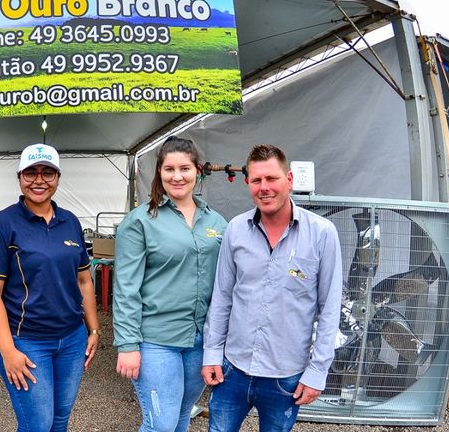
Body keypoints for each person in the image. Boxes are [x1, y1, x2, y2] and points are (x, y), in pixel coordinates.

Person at [201, 145, 342, 432]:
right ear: (248, 183)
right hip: (233, 369)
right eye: (256, 180)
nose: (264, 187)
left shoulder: (322, 234)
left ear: (289, 180)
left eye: (271, 178)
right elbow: (222, 297)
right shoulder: (236, 229)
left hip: (286, 376)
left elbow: (329, 308)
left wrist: (317, 371)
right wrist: (212, 354)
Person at [0, 143, 100, 432]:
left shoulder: (70, 221)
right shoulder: (4, 224)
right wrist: (7, 350)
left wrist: (94, 329)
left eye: (48, 173)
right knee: (38, 424)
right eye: (31, 173)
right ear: (20, 177)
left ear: (57, 177)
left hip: (72, 340)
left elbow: (84, 280)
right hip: (28, 342)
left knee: (60, 419)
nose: (39, 180)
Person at [112, 136, 227, 432]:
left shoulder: (216, 222)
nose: (177, 176)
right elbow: (126, 288)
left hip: (200, 340)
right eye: (169, 169)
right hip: (156, 340)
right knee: (160, 424)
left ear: (198, 171)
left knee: (180, 418)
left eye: (185, 168)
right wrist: (127, 344)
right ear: (159, 172)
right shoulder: (140, 221)